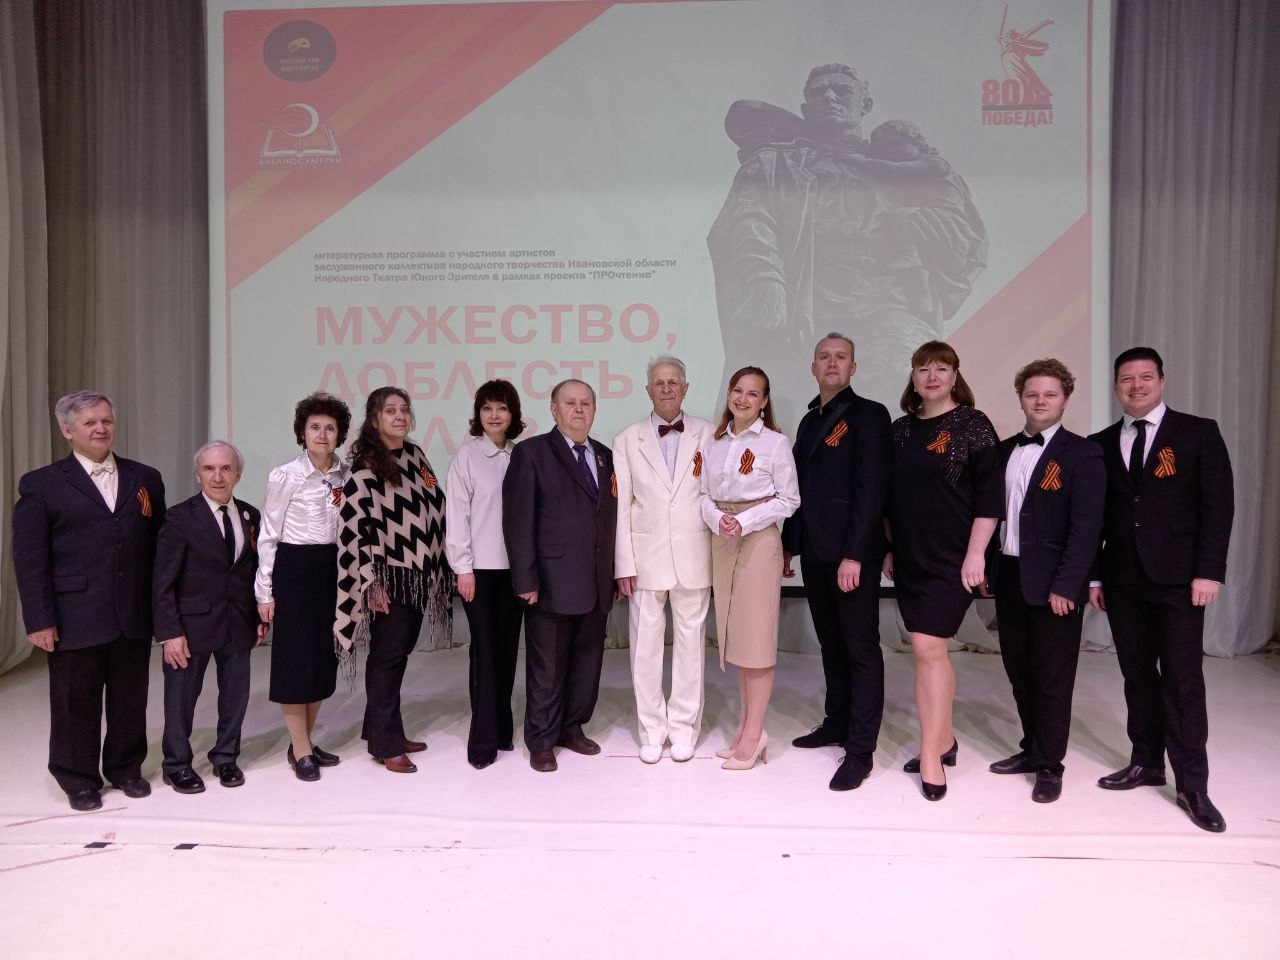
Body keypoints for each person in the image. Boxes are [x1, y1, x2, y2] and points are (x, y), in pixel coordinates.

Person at [707, 62, 987, 408]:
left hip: (890, 299)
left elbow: (964, 241)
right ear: (806, 109)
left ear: (865, 104)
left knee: (906, 383)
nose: (829, 97)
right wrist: (767, 283)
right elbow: (748, 223)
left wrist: (947, 246)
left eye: (842, 91)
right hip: (807, 306)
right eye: (819, 93)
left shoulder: (908, 164)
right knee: (794, 408)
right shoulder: (776, 164)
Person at [1089, 347, 1234, 832]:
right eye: (1126, 379)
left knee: (1182, 680)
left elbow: (1218, 508)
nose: (1136, 386)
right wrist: (1095, 576)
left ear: (1162, 381)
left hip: (1179, 580)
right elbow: (1095, 520)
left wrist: (1209, 572)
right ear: (1116, 386)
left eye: (1145, 377)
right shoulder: (1101, 443)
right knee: (1136, 676)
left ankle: (1193, 785)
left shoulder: (1197, 433)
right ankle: (1146, 761)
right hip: (1122, 581)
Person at [12, 390, 166, 811]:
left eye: (106, 420)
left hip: (132, 612)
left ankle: (126, 768)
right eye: (90, 422)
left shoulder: (145, 477)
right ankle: (77, 778)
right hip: (73, 614)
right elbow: (30, 558)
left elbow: (157, 548)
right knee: (74, 702)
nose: (101, 428)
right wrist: (39, 619)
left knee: (129, 697)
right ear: (67, 430)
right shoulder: (41, 484)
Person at [884, 341, 1000, 800]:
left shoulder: (974, 424)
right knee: (927, 651)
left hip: (954, 557)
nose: (932, 376)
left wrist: (976, 555)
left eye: (941, 368)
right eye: (923, 369)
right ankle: (945, 739)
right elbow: (890, 498)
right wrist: (890, 548)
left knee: (928, 648)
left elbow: (990, 497)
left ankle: (931, 754)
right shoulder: (899, 431)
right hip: (911, 556)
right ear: (913, 378)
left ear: (955, 376)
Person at [989, 360, 1104, 803]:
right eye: (1032, 394)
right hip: (1010, 575)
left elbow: (1086, 528)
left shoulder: (1083, 454)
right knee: (1019, 671)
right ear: (1020, 398)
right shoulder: (1003, 451)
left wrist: (1067, 585)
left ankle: (1050, 766)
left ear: (1065, 399)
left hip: (1055, 583)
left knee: (1053, 677)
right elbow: (992, 517)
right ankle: (1031, 748)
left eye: (1050, 394)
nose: (1040, 401)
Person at [783, 334, 892, 791]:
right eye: (824, 357)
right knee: (831, 643)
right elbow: (798, 490)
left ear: (853, 367)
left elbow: (872, 489)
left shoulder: (870, 415)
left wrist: (855, 554)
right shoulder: (810, 420)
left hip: (851, 557)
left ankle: (860, 751)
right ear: (813, 367)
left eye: (840, 357)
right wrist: (788, 545)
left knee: (861, 649)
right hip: (815, 552)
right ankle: (837, 722)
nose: (832, 363)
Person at [336, 387, 454, 774]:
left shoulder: (415, 456)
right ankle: (387, 744)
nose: (400, 416)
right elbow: (356, 527)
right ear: (375, 420)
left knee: (396, 656)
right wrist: (370, 581)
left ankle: (382, 732)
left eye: (404, 410)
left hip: (418, 574)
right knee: (387, 658)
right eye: (390, 411)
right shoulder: (366, 466)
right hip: (388, 577)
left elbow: (434, 502)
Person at [502, 379, 618, 773]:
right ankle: (541, 739)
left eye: (586, 403)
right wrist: (525, 580)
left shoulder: (605, 456)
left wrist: (615, 574)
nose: (579, 409)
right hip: (550, 583)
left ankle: (571, 727)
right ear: (554, 410)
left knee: (587, 664)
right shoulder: (531, 453)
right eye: (570, 403)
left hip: (596, 582)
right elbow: (517, 522)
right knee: (547, 668)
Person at [613, 356, 715, 764]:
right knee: (645, 651)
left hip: (694, 555)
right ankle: (652, 730)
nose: (667, 388)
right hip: (646, 559)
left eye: (674, 382)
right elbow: (622, 508)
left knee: (692, 649)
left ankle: (684, 729)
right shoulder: (627, 439)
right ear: (648, 390)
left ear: (685, 389)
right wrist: (624, 564)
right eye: (660, 383)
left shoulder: (709, 434)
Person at [700, 367, 800, 771]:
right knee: (738, 640)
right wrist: (717, 518)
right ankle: (744, 729)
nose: (742, 399)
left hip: (758, 542)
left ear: (764, 401)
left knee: (756, 642)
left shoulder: (775, 443)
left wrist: (745, 520)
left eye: (752, 393)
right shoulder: (714, 442)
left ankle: (755, 733)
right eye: (737, 390)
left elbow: (789, 499)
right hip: (723, 538)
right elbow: (704, 494)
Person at [153, 441, 266, 793]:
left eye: (226, 468)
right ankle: (176, 764)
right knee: (180, 699)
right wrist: (169, 632)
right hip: (189, 627)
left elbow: (251, 571)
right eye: (209, 469)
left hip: (238, 622)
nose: (218, 476)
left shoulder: (250, 516)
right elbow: (162, 581)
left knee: (235, 696)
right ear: (198, 474)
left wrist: (257, 616)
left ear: (238, 474)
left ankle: (226, 757)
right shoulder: (179, 517)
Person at [256, 391, 352, 782]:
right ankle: (300, 749)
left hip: (332, 569)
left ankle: (305, 744)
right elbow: (268, 534)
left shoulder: (346, 475)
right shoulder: (285, 475)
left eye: (330, 428)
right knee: (295, 662)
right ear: (302, 432)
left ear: (339, 434)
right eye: (315, 427)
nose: (322, 434)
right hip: (294, 569)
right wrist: (264, 591)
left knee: (322, 659)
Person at [445, 380, 526, 770]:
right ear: (478, 414)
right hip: (478, 572)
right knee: (484, 652)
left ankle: (502, 726)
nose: (495, 415)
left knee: (508, 651)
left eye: (502, 408)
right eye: (487, 408)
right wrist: (462, 567)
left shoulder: (521, 455)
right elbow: (457, 516)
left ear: (513, 415)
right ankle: (482, 739)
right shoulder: (467, 457)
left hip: (516, 572)